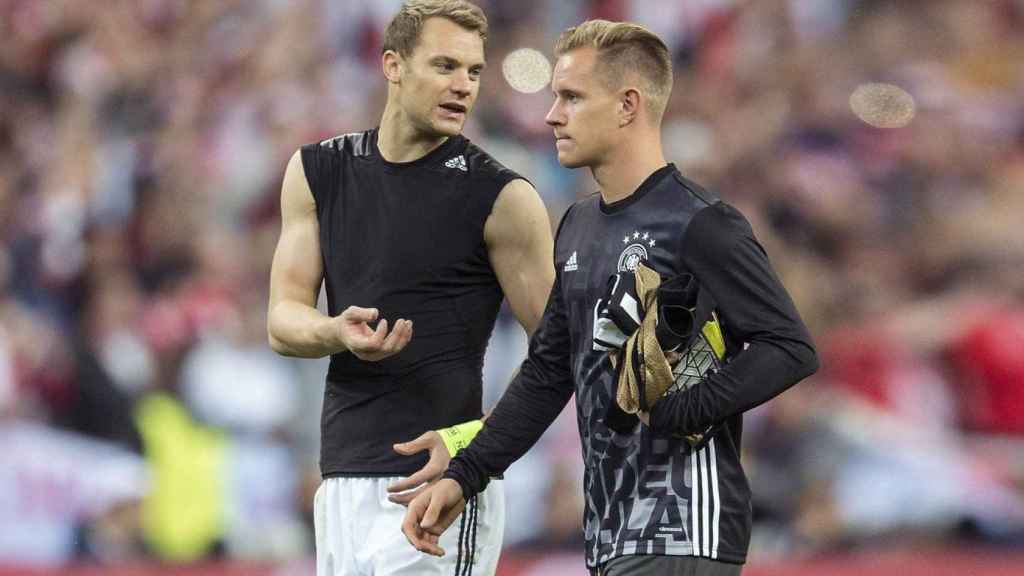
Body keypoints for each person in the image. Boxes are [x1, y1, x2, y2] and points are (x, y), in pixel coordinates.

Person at [402, 19, 819, 576]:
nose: (552, 114)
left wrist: (684, 409)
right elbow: (551, 371)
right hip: (610, 532)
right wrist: (467, 470)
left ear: (628, 106)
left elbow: (789, 346)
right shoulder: (577, 226)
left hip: (684, 525)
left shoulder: (699, 223)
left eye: (571, 97)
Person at [266, 1, 554, 574]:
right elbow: (282, 320)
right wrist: (333, 331)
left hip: (438, 487)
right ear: (393, 65)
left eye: (473, 72)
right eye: (445, 66)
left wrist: (474, 445)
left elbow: (560, 350)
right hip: (342, 482)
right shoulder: (318, 171)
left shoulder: (502, 197)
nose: (463, 86)